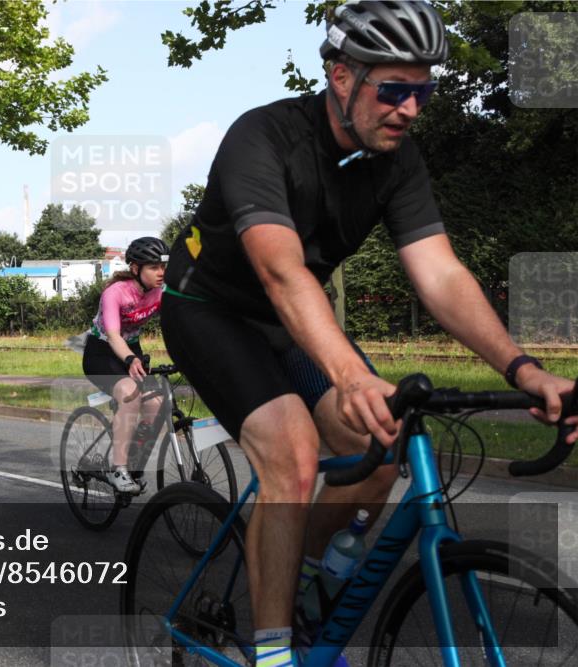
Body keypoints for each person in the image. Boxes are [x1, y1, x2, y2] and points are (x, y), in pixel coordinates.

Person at [159, 1, 578, 664]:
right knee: (293, 456)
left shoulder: (397, 161)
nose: (411, 109)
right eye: (395, 89)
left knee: (383, 436)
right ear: (342, 77)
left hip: (291, 317)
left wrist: (522, 368)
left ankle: (298, 576)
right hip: (209, 308)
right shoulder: (261, 139)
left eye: (424, 91)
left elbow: (440, 275)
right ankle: (273, 654)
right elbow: (282, 270)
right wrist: (350, 375)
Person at [80, 237, 169, 494]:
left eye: (163, 266)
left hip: (132, 351)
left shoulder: (160, 291)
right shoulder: (115, 293)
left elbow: (177, 323)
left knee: (156, 403)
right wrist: (130, 359)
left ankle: (132, 461)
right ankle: (118, 469)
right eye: (153, 267)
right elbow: (114, 335)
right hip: (102, 353)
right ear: (135, 269)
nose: (161, 272)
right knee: (130, 395)